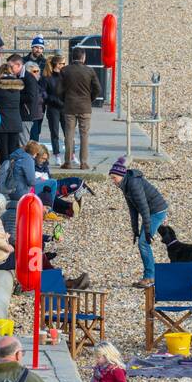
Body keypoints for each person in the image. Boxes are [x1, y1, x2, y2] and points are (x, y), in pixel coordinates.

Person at [109, 157, 168, 287]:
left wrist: (146, 231)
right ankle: (150, 275)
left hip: (157, 211)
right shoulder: (124, 184)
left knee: (143, 243)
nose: (113, 181)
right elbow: (133, 209)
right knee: (142, 240)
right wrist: (135, 229)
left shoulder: (133, 184)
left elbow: (144, 208)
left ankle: (149, 277)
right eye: (111, 178)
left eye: (114, 178)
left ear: (121, 175)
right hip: (151, 211)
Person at [58, 47, 101, 169]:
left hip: (70, 106)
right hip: (85, 107)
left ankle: (67, 162)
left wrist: (65, 99)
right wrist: (90, 99)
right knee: (84, 135)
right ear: (83, 57)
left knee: (69, 135)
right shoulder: (90, 71)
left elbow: (58, 90)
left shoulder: (65, 70)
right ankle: (83, 162)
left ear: (72, 57)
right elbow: (98, 89)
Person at [0, 54, 26, 163]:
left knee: (3, 153)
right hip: (15, 122)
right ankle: (12, 177)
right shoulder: (18, 87)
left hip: (2, 123)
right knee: (13, 152)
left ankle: (4, 177)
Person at [41, 53, 66, 161]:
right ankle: (57, 154)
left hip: (65, 107)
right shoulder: (47, 78)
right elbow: (44, 94)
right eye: (62, 63)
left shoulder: (65, 76)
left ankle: (72, 154)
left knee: (68, 132)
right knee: (54, 132)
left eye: (64, 63)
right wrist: (55, 100)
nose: (63, 65)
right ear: (56, 64)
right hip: (53, 108)